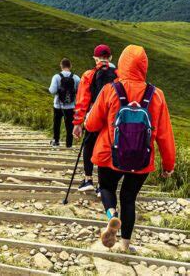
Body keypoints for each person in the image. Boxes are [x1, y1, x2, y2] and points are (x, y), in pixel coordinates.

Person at [85, 45, 175, 252]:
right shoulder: (157, 95)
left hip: (110, 154)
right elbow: (164, 134)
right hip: (141, 160)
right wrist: (168, 165)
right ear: (144, 66)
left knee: (107, 188)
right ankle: (125, 244)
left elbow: (92, 125)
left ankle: (111, 216)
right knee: (129, 198)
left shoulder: (110, 89)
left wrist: (86, 119)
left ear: (123, 64)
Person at [73, 44, 117, 193]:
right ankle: (101, 185)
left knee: (89, 146)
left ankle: (88, 180)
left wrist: (78, 123)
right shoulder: (119, 74)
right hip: (111, 119)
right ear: (110, 58)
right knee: (106, 148)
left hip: (93, 117)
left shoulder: (88, 75)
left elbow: (82, 100)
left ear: (95, 58)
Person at [49, 58, 80, 148]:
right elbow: (80, 91)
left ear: (61, 66)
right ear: (70, 66)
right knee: (69, 125)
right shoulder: (76, 77)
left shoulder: (56, 77)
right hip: (71, 106)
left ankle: (56, 141)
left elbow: (52, 91)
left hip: (58, 105)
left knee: (57, 123)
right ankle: (69, 144)